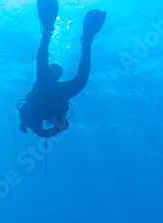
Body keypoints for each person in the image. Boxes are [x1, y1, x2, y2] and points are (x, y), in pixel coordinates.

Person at [18, 0, 106, 138]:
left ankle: (49, 31)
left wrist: (56, 128)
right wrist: (59, 125)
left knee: (78, 79)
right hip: (53, 93)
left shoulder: (34, 117)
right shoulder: (44, 117)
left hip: (44, 91)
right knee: (80, 79)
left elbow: (42, 131)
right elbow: (54, 128)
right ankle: (85, 40)